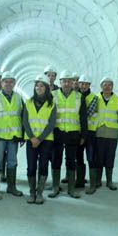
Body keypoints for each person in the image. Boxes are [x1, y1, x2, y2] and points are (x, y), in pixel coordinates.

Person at [49, 70, 87, 199]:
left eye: (69, 81)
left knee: (71, 161)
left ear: (73, 83)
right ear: (60, 82)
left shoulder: (78, 97)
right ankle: (55, 187)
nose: (66, 83)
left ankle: (71, 188)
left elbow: (83, 117)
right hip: (57, 132)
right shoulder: (52, 95)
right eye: (64, 81)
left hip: (73, 133)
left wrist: (83, 135)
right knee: (56, 160)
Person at [0, 71, 24, 201]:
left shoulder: (19, 98)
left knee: (12, 162)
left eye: (10, 82)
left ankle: (11, 187)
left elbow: (23, 117)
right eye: (5, 81)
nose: (8, 84)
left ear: (14, 83)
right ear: (1, 83)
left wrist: (23, 136)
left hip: (14, 137)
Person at [23, 74, 56, 204]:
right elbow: (25, 121)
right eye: (37, 85)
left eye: (42, 85)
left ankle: (40, 192)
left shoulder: (52, 104)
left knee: (43, 165)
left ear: (47, 88)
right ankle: (32, 192)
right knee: (31, 166)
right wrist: (32, 137)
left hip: (46, 140)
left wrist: (40, 139)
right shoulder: (28, 102)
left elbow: (51, 123)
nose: (39, 87)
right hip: (31, 140)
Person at [95, 77, 118, 190]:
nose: (107, 87)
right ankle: (98, 180)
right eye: (105, 85)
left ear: (112, 87)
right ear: (101, 86)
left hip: (112, 134)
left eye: (110, 85)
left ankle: (109, 181)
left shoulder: (117, 99)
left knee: (110, 157)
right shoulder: (96, 98)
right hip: (99, 133)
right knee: (99, 157)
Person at [77, 75, 98, 195]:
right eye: (82, 83)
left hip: (90, 132)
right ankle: (80, 181)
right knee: (78, 157)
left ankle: (92, 184)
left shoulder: (94, 98)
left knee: (91, 158)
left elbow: (87, 114)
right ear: (79, 84)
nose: (83, 86)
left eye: (86, 84)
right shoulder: (76, 97)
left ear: (89, 85)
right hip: (78, 132)